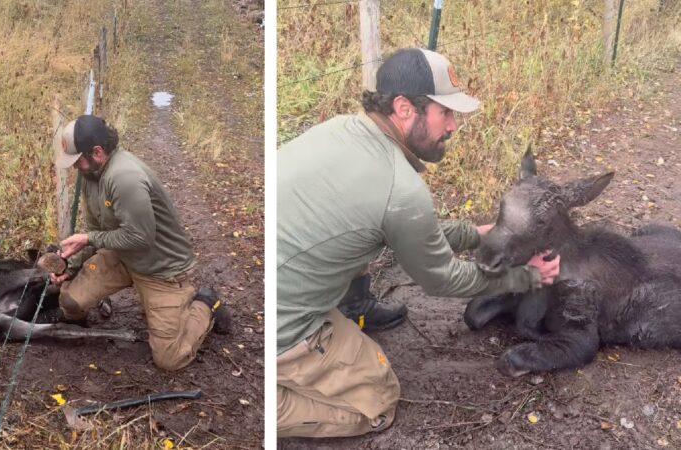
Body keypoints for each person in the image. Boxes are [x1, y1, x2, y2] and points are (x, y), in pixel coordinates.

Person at [276, 48, 561, 438]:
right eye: (445, 113)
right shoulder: (399, 188)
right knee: (379, 401)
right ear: (404, 108)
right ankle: (272, 402)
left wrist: (475, 232)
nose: (453, 127)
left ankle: (353, 306)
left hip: (279, 278)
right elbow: (442, 279)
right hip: (284, 328)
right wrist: (525, 277)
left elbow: (396, 224)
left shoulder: (342, 130)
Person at [48, 114, 231, 371]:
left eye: (77, 161)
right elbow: (95, 229)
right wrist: (70, 265)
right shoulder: (92, 177)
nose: (75, 167)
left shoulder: (124, 178)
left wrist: (90, 239)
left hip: (160, 268)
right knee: (70, 302)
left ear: (97, 153)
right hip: (124, 255)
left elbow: (140, 237)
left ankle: (205, 304)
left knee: (170, 359)